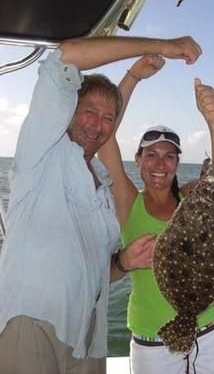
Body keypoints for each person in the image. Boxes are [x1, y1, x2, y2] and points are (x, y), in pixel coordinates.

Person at [0, 35, 201, 374]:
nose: (98, 124)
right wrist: (162, 47)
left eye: (109, 118)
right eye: (89, 112)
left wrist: (122, 262)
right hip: (32, 324)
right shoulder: (44, 154)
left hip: (89, 339)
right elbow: (68, 55)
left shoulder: (103, 188)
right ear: (67, 112)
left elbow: (98, 272)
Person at [97, 56, 214, 374]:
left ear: (177, 163)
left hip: (211, 329)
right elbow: (106, 139)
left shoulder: (192, 197)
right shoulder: (128, 201)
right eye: (152, 155)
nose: (160, 164)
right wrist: (132, 77)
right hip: (153, 338)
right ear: (137, 161)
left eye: (169, 156)